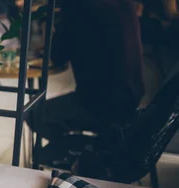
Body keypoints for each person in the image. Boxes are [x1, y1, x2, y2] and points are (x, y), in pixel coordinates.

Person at [27, 0, 145, 166]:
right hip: (131, 98)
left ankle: (89, 154)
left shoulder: (78, 5)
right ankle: (93, 149)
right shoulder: (123, 3)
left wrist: (51, 27)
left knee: (34, 115)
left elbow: (58, 55)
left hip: (100, 104)